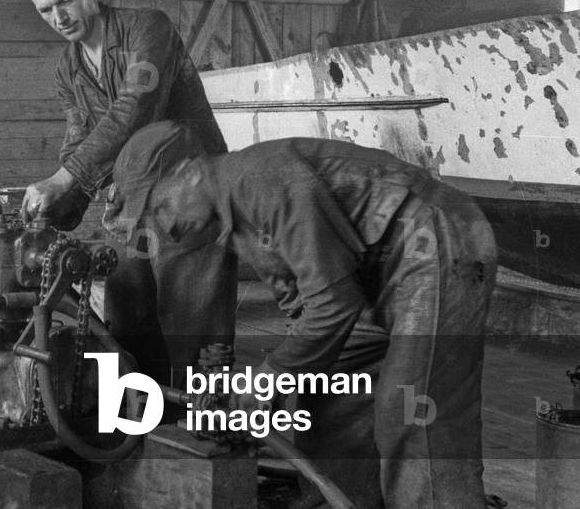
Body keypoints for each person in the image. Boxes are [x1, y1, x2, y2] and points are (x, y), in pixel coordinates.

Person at [112, 120, 497, 509]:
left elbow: (335, 303)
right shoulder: (235, 223)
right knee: (326, 405)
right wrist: (273, 389)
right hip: (370, 276)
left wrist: (270, 377)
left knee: (412, 411)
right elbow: (304, 306)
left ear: (191, 171)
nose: (168, 227)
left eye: (161, 206)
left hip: (432, 244)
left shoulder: (261, 180)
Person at [17, 0, 233, 381]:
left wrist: (64, 179)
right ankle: (148, 419)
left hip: (191, 189)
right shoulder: (68, 68)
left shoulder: (147, 27)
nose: (58, 17)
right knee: (126, 306)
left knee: (192, 315)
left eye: (65, 1)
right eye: (45, 10)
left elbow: (137, 108)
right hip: (132, 202)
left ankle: (214, 419)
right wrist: (54, 207)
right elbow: (77, 138)